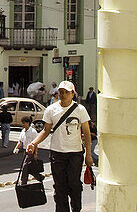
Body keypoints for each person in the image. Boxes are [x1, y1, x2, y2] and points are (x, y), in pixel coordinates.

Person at [26, 80, 94, 212]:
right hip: (57, 153)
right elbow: (46, 131)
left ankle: (76, 209)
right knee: (59, 187)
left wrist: (88, 155)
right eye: (61, 92)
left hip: (75, 153)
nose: (63, 95)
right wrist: (34, 143)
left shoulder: (80, 110)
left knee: (74, 185)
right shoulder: (51, 110)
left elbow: (86, 132)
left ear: (73, 94)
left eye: (66, 92)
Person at [13, 116, 45, 185]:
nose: (23, 124)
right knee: (30, 167)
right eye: (22, 123)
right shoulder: (23, 131)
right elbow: (20, 141)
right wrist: (16, 148)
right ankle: (39, 177)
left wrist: (36, 153)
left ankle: (23, 182)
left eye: (24, 123)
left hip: (31, 152)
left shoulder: (33, 132)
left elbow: (36, 143)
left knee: (25, 166)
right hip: (25, 151)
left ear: (28, 123)